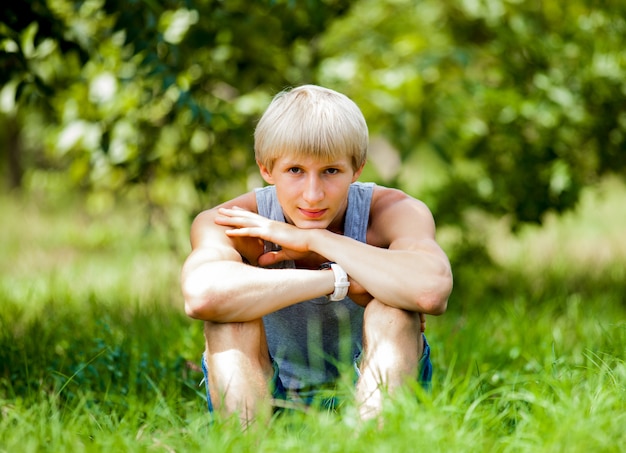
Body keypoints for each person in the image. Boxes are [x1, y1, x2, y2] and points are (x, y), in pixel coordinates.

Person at [181, 84, 452, 426]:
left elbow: (430, 290)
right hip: (269, 395)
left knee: (394, 313)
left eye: (331, 171)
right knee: (228, 323)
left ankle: (375, 445)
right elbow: (202, 295)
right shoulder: (233, 221)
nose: (313, 195)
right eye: (295, 171)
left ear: (357, 169)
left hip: (369, 391)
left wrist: (316, 240)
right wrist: (337, 279)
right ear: (267, 169)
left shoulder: (393, 211)